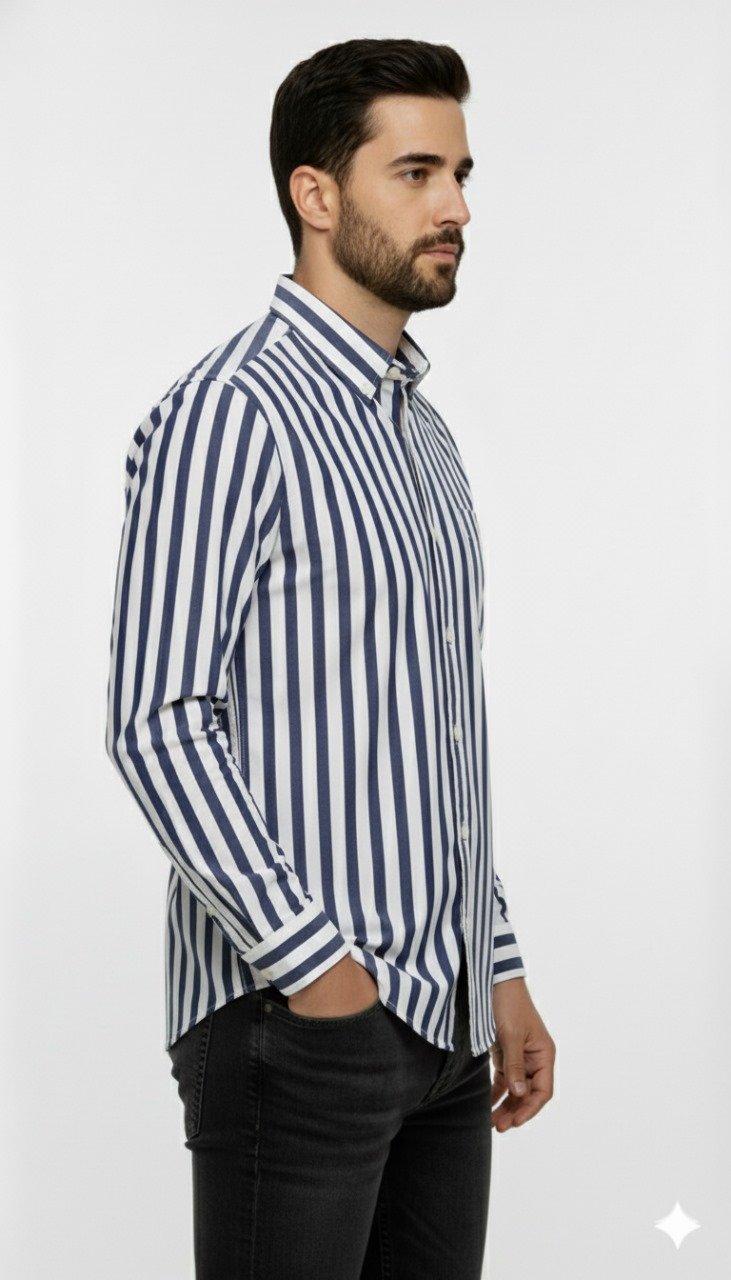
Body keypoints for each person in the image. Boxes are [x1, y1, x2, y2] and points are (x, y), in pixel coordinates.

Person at [105, 36, 555, 1279]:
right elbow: (157, 720)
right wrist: (315, 967)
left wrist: (496, 968)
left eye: (460, 173)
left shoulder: (425, 438)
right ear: (314, 193)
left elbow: (433, 733)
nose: (455, 207)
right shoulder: (229, 414)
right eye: (415, 172)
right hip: (299, 1022)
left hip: (445, 1025)